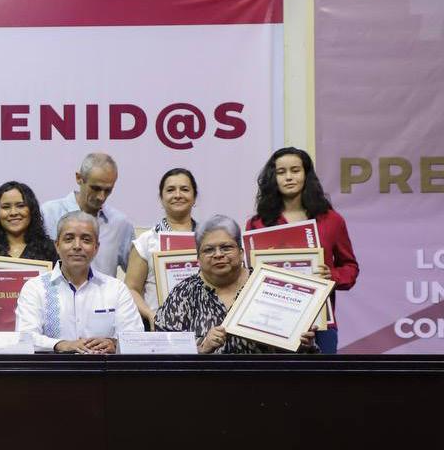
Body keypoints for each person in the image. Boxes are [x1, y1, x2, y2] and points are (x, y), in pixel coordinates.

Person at [246, 147, 359, 354]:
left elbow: (350, 267)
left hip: (320, 322)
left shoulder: (332, 220)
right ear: (273, 178)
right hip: (272, 322)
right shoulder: (258, 223)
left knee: (322, 376)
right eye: (281, 172)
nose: (289, 177)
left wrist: (332, 275)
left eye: (295, 170)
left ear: (307, 175)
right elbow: (248, 273)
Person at [155, 215, 317, 354]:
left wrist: (302, 343)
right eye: (209, 250)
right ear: (198, 258)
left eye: (226, 247)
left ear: (241, 253)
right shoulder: (183, 292)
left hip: (266, 377)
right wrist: (201, 346)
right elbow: (162, 347)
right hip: (204, 379)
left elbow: (304, 351)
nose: (218, 255)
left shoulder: (267, 285)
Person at [16, 211, 143, 353]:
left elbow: (135, 337)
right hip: (52, 366)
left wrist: (114, 344)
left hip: (103, 366)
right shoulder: (35, 288)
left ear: (96, 248)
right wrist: (61, 345)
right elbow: (25, 337)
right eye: (69, 239)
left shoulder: (116, 289)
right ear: (57, 245)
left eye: (86, 240)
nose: (77, 246)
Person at [41, 152, 135, 280]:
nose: (101, 197)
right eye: (95, 188)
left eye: (108, 190)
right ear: (79, 178)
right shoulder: (49, 213)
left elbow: (136, 274)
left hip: (104, 293)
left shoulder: (120, 224)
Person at [123, 168, 199, 326]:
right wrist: (150, 315)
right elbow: (131, 289)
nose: (178, 195)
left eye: (184, 189)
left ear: (194, 197)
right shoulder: (146, 241)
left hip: (204, 327)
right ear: (161, 198)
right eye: (170, 190)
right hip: (161, 328)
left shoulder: (207, 240)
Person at [0, 181, 57, 268]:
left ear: (31, 210)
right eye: (6, 207)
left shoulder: (52, 250)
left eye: (20, 206)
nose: (13, 212)